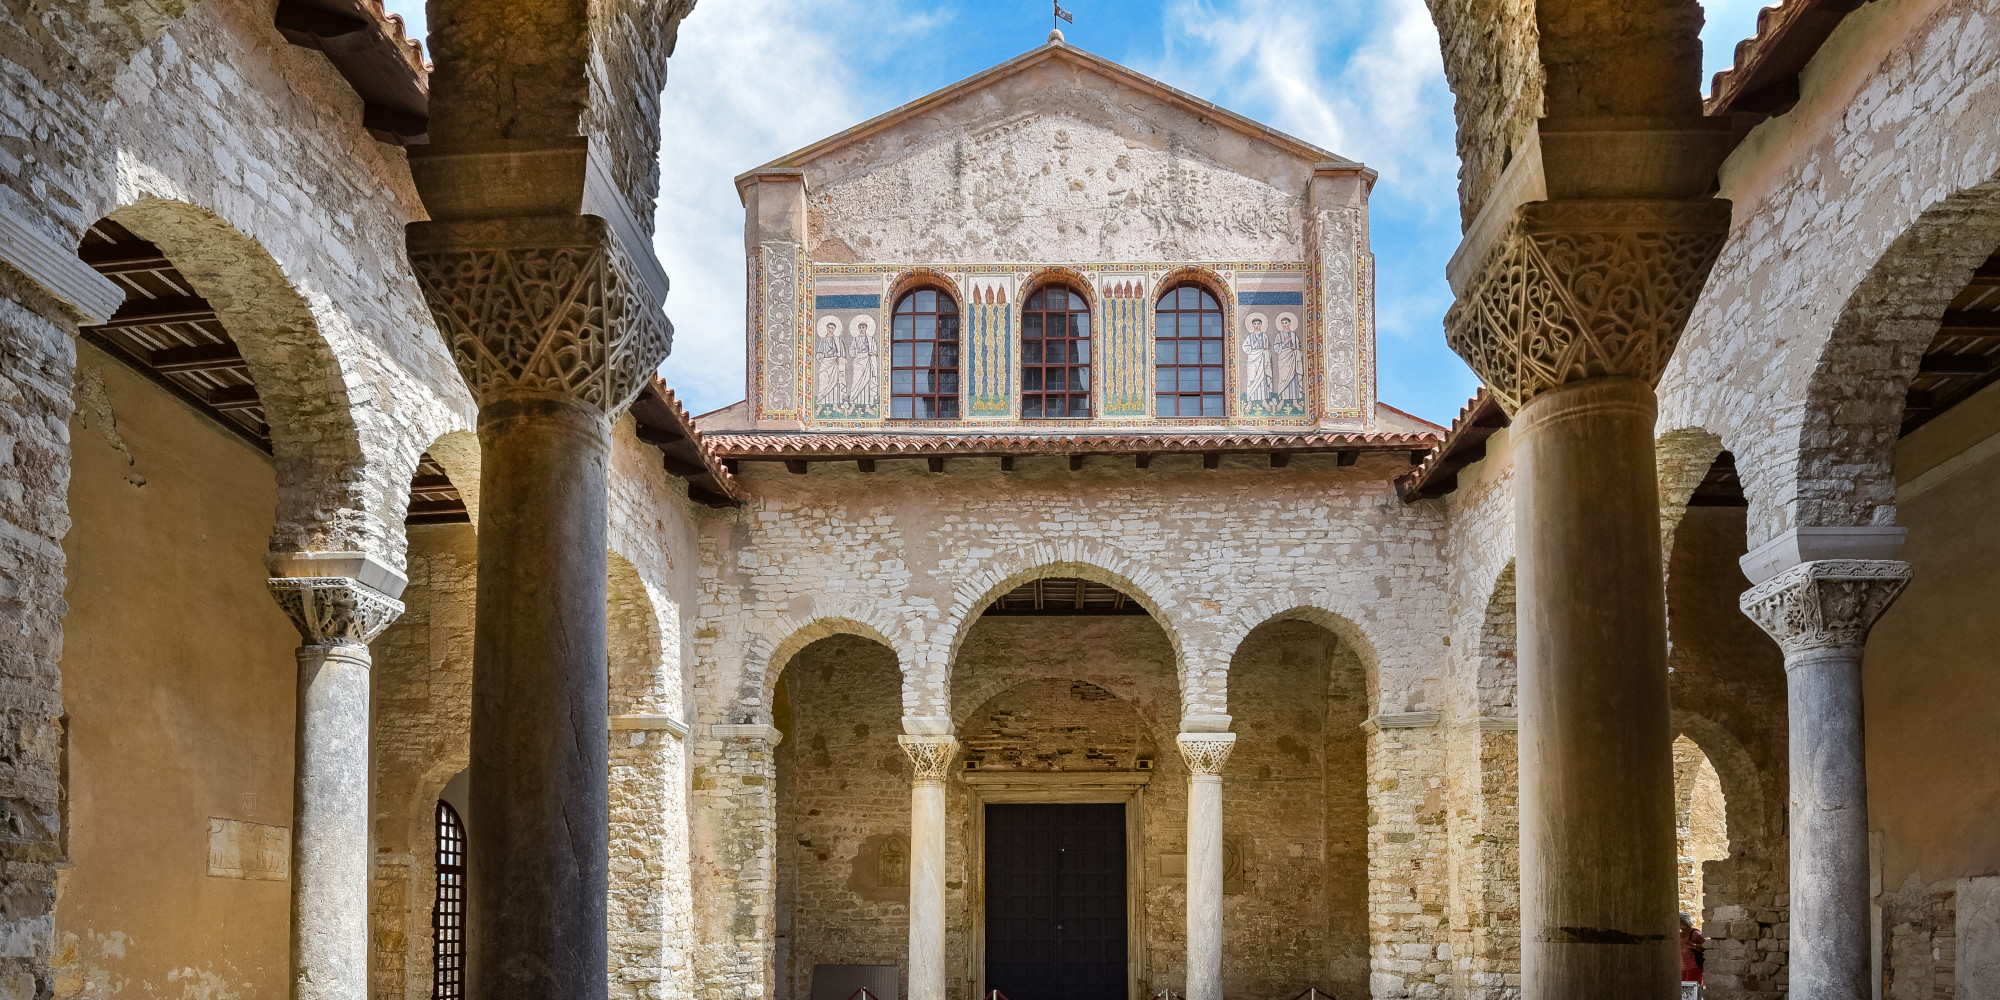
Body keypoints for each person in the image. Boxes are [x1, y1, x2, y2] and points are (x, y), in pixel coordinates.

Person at [1679, 911, 1705, 997]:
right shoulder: (1679, 934)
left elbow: (1706, 947)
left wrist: (1693, 946)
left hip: (1694, 968)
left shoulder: (1694, 933)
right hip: (1682, 969)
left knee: (1692, 994)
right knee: (1684, 994)